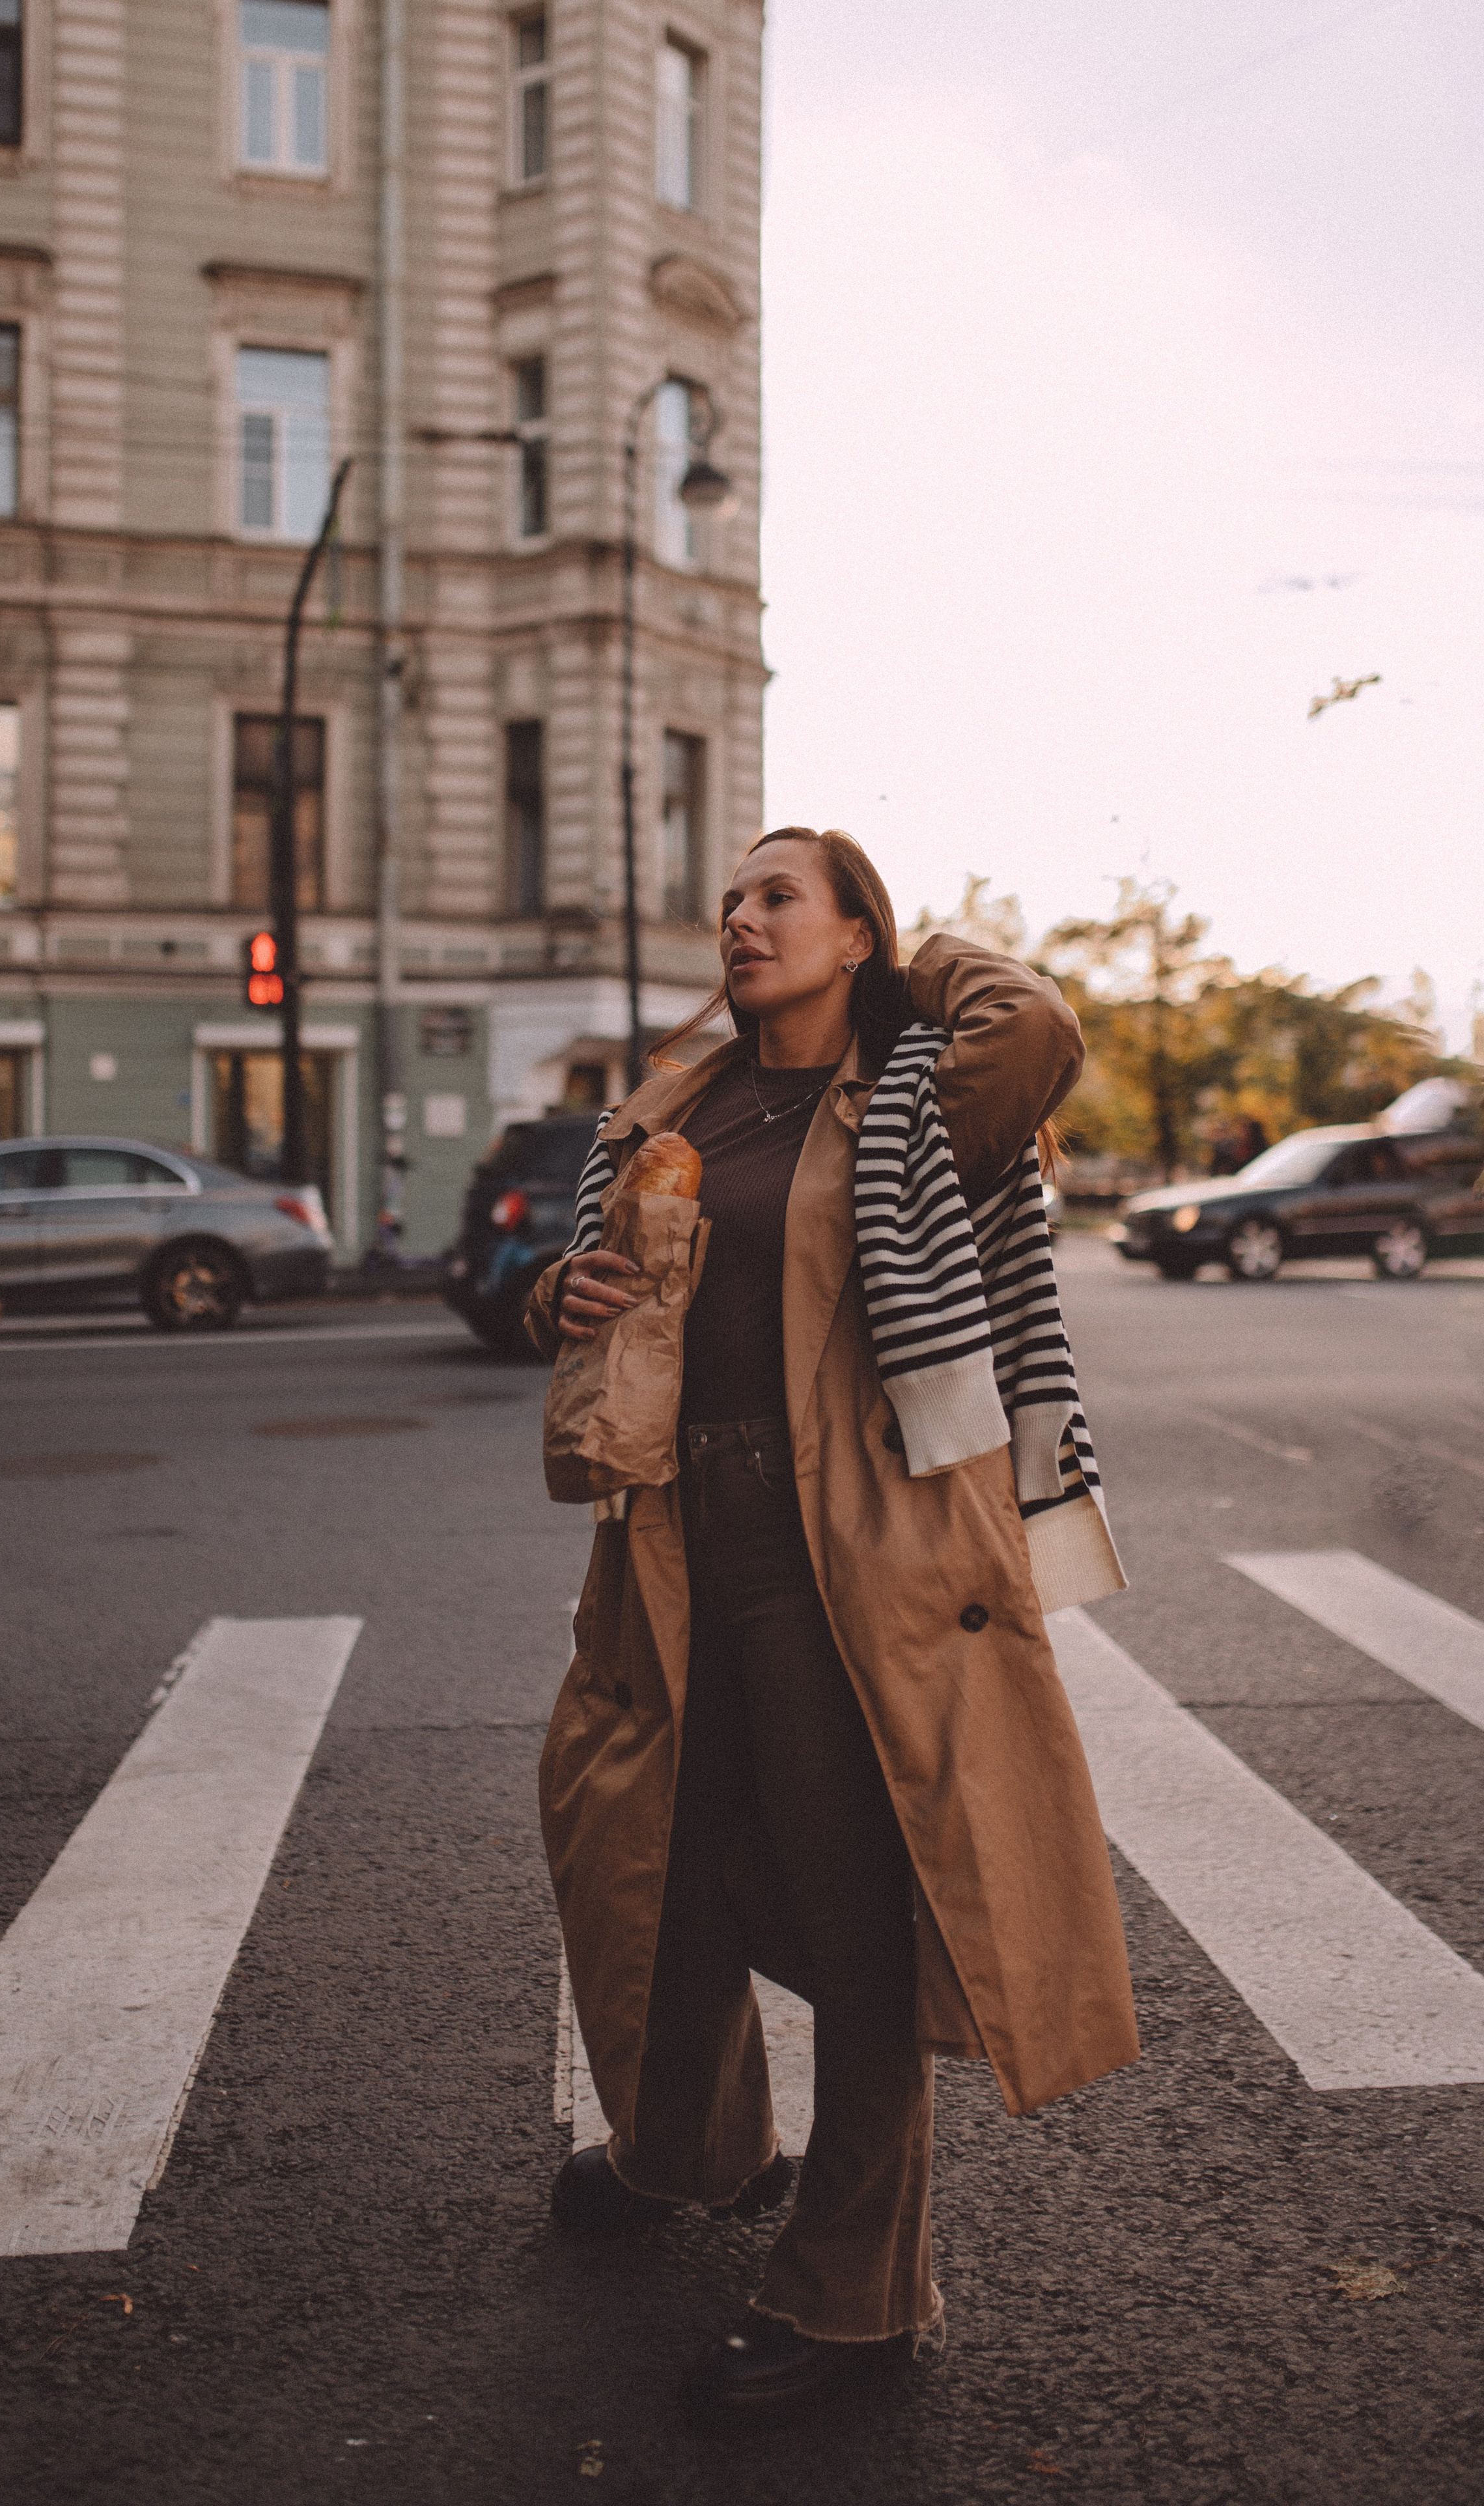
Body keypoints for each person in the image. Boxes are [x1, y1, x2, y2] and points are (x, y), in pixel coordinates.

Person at [524, 827, 1138, 2429]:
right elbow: (602, 1288)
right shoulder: (679, 1103)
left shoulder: (919, 1096)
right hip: (669, 1530)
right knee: (644, 1846)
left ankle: (853, 2293)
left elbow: (1038, 1023)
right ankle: (692, 2148)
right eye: (728, 901)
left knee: (858, 1904)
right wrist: (559, 1293)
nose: (737, 919)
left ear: (855, 932)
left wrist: (910, 962)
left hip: (847, 1544)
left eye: (777, 896)